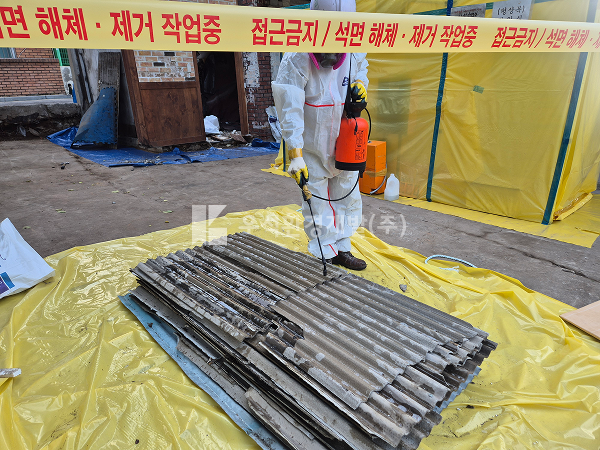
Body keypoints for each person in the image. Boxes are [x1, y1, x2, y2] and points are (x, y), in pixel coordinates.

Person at [272, 0, 369, 270]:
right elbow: (290, 109)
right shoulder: (297, 57)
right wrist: (295, 153)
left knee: (347, 192)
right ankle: (324, 250)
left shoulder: (353, 48)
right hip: (313, 143)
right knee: (316, 198)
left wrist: (359, 85)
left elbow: (361, 69)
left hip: (344, 138)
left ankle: (343, 246)